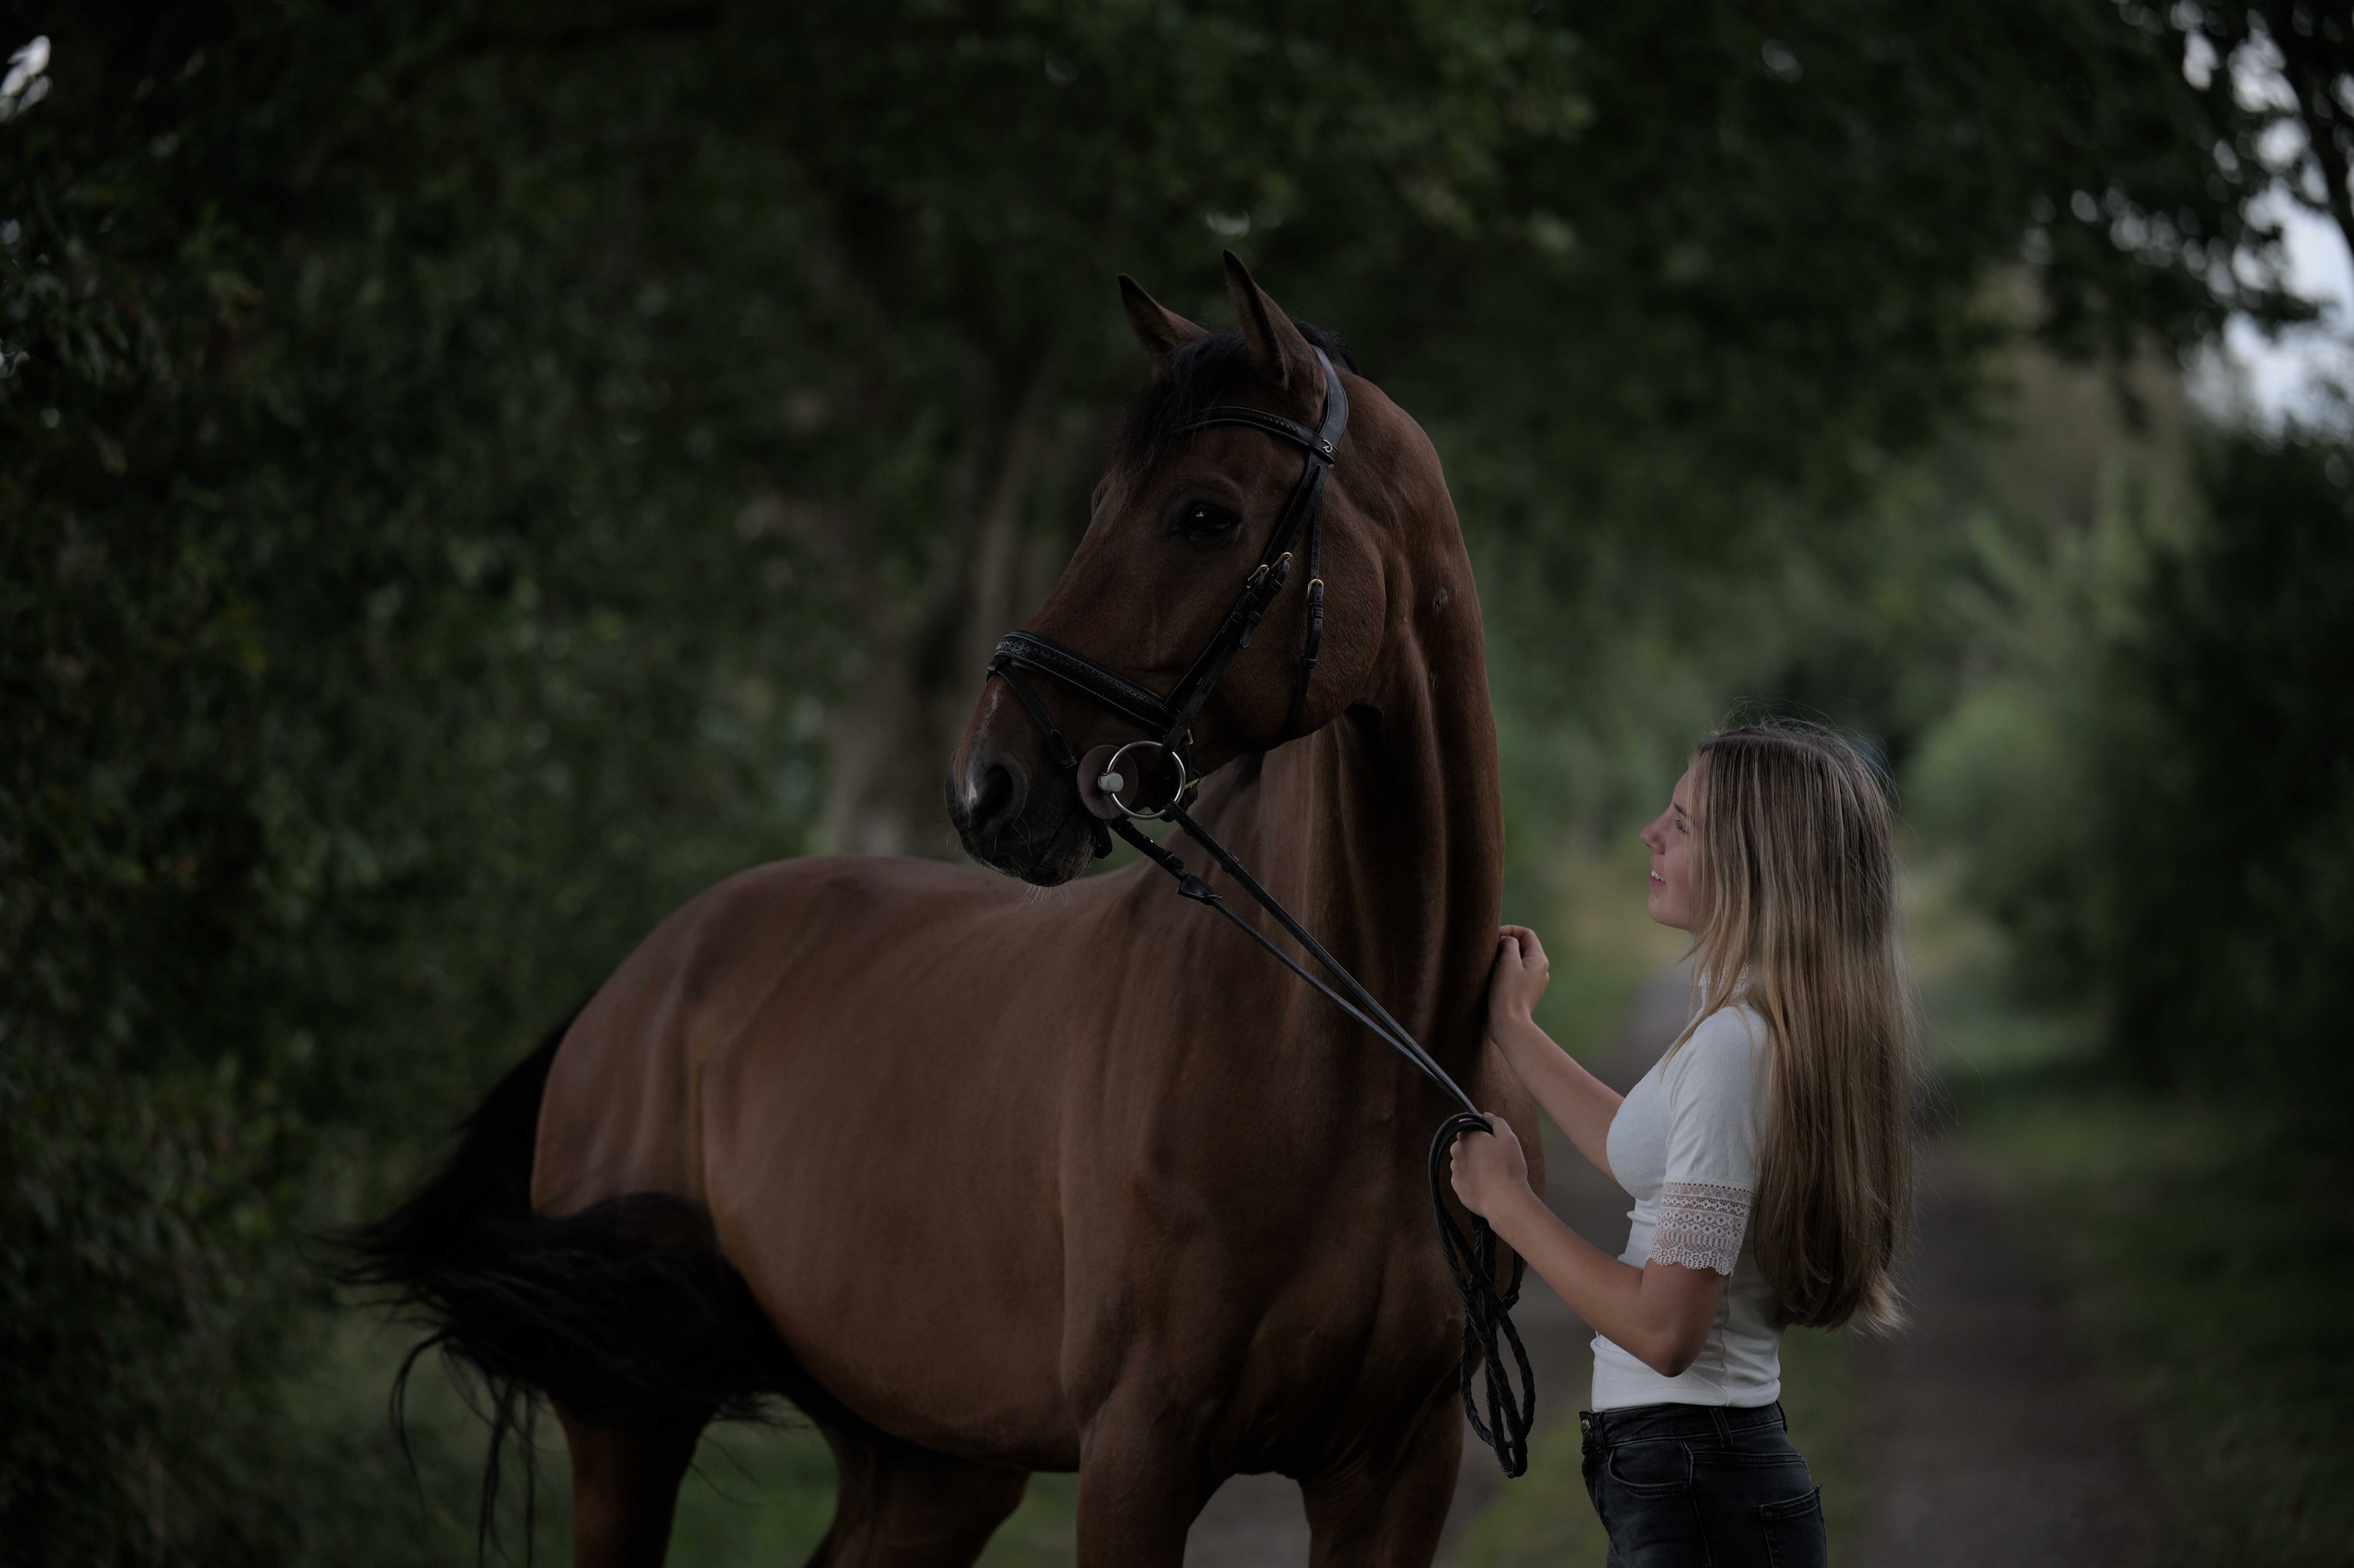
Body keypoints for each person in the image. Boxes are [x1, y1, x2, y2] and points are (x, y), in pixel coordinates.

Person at [1450, 722, 1916, 1568]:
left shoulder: (1732, 1048)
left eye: (1682, 823)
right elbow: (1650, 1151)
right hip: (1699, 1476)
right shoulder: (1748, 1024)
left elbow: (1666, 1331)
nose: (1649, 834)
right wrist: (1513, 1031)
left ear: (1752, 863)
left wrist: (1507, 1201)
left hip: (1699, 1487)